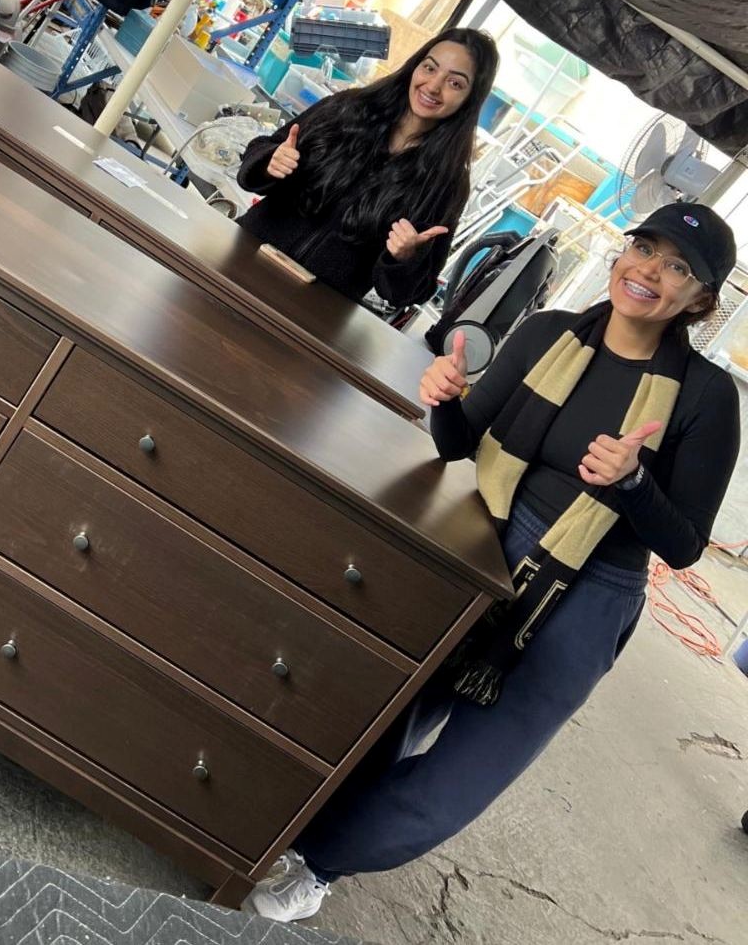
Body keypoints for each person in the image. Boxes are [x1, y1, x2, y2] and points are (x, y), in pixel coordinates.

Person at [245, 201, 741, 922]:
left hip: (589, 593)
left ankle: (321, 858)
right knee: (391, 712)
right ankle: (302, 831)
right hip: (486, 540)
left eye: (677, 268)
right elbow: (458, 443)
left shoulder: (705, 398)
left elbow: (686, 543)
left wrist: (634, 483)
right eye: (646, 248)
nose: (649, 272)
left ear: (699, 300)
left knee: (462, 775)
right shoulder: (546, 334)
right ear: (620, 253)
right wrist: (444, 401)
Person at [235, 28, 499, 307]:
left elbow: (410, 293)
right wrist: (270, 161)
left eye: (455, 83)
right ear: (415, 66)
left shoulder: (446, 183)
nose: (433, 86)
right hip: (245, 259)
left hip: (313, 313)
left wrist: (405, 259)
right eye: (429, 68)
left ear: (471, 98)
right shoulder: (347, 108)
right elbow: (259, 153)